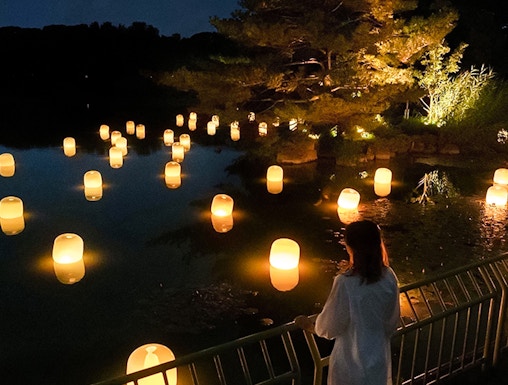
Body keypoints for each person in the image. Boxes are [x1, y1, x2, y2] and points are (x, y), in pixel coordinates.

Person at [295, 220, 400, 385]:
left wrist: (311, 326)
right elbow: (391, 322)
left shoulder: (346, 283)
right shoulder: (389, 276)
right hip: (378, 358)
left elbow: (330, 326)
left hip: (350, 364)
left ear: (350, 248)